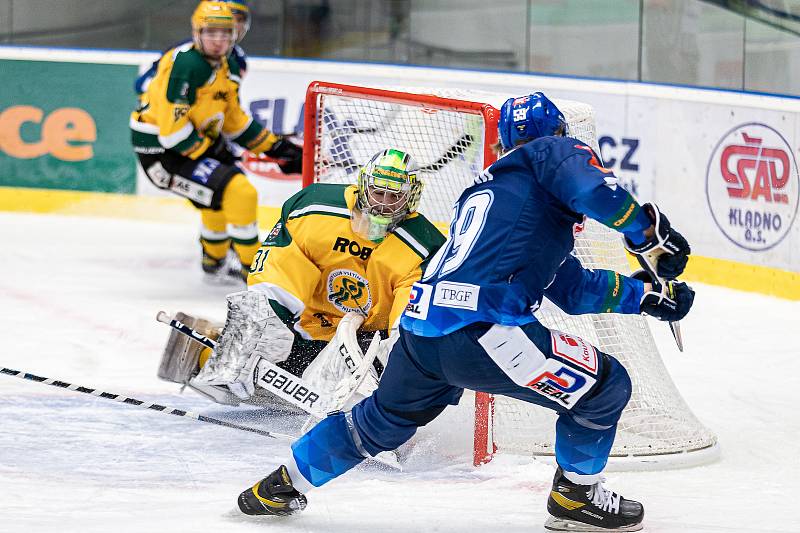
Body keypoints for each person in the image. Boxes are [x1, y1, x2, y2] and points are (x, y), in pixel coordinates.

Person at [236, 93, 695, 532]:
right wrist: (649, 236)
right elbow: (593, 187)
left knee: (383, 420)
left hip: (419, 333)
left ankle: (281, 484)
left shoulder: (494, 196)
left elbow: (570, 287)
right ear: (556, 135)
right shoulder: (548, 154)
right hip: (484, 330)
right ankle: (577, 496)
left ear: (499, 144)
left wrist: (645, 296)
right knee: (605, 388)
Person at [159, 148, 445, 408]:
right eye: (377, 193)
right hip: (304, 331)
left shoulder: (424, 247)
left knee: (371, 391)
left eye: (394, 197)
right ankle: (215, 351)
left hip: (362, 349)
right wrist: (256, 324)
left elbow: (408, 325)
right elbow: (279, 268)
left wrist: (398, 378)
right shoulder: (315, 208)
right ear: (362, 186)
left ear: (411, 197)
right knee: (243, 356)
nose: (383, 205)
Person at [130, 1, 301, 282]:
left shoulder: (227, 64)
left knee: (218, 194)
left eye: (226, 33)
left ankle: (214, 258)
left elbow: (233, 119)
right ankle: (255, 271)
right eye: (211, 33)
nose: (219, 40)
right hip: (162, 153)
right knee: (239, 191)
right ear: (197, 32)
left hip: (189, 144)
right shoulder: (186, 64)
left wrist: (276, 148)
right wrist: (213, 149)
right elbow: (172, 134)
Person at [135, 0, 251, 96]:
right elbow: (143, 85)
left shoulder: (239, 59)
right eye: (229, 18)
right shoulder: (183, 52)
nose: (234, 25)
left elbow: (227, 101)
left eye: (239, 20)